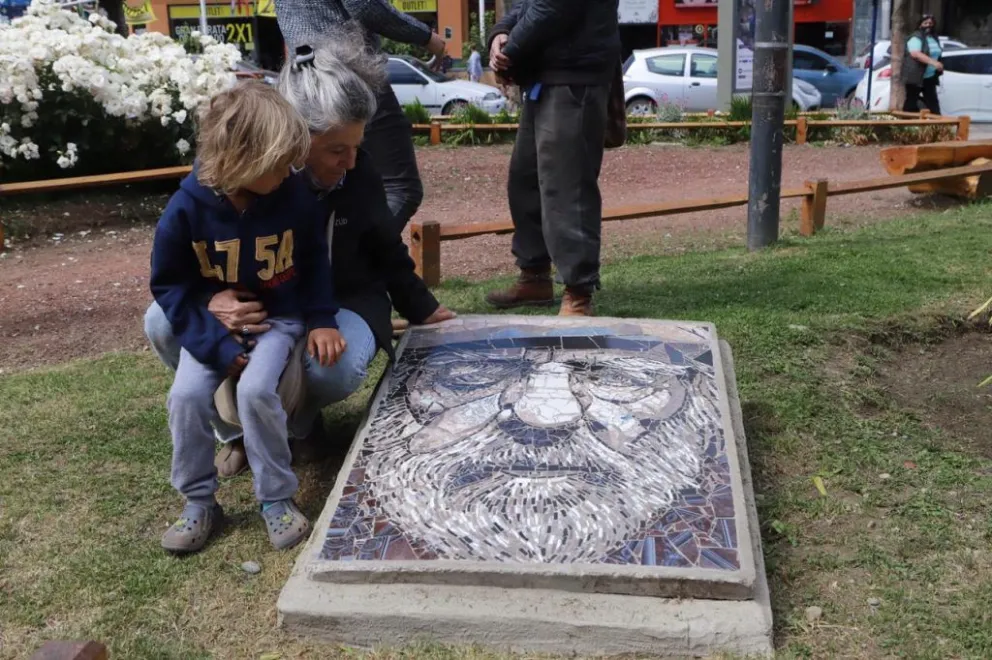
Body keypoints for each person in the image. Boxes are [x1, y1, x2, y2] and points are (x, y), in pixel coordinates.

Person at [144, 28, 455, 482]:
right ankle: (231, 433)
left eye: (356, 147)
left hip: (340, 296)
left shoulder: (357, 171)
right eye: (335, 149)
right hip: (262, 295)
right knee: (160, 320)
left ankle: (302, 425)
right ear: (289, 138)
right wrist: (206, 298)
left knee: (335, 365)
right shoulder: (225, 173)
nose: (349, 162)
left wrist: (424, 309)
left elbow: (385, 247)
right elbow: (179, 262)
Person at [151, 81, 344, 554]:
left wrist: (321, 317)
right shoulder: (184, 209)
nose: (289, 172)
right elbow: (169, 286)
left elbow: (316, 262)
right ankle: (199, 502)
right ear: (244, 159)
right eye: (280, 164)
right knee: (184, 397)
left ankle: (276, 498)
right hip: (212, 327)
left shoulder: (293, 196)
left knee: (258, 391)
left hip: (278, 321)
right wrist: (217, 346)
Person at [483, 0, 620, 317]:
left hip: (575, 75)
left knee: (567, 187)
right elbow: (528, 3)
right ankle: (534, 276)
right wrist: (499, 34)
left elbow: (553, 6)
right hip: (545, 76)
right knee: (525, 179)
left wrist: (510, 54)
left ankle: (578, 293)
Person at [273, 0, 447, 234]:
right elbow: (364, 5)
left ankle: (323, 255)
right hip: (349, 74)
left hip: (305, 77)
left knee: (324, 183)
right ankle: (357, 257)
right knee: (401, 189)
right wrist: (426, 37)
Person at [903, 13, 943, 115]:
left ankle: (937, 127)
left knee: (933, 103)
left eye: (931, 23)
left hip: (929, 76)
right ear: (920, 24)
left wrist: (938, 65)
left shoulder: (933, 38)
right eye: (925, 23)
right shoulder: (916, 37)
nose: (928, 25)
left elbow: (936, 53)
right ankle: (906, 126)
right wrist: (934, 63)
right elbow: (915, 53)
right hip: (916, 76)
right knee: (911, 103)